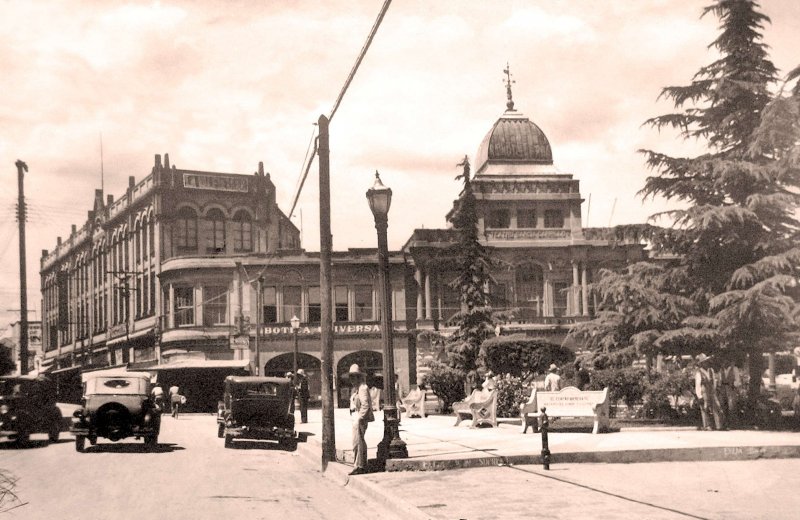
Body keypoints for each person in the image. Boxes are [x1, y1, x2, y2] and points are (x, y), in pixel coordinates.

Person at [348, 363, 374, 475]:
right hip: (355, 416)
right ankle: (360, 464)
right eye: (351, 376)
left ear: (359, 376)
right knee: (357, 441)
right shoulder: (356, 389)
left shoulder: (362, 388)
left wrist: (360, 418)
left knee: (357, 442)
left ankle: (359, 466)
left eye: (355, 376)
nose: (352, 379)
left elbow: (365, 404)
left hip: (359, 417)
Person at [695, 354, 724, 430]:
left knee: (716, 406)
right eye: (704, 362)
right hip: (704, 391)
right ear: (701, 364)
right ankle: (707, 425)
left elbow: (714, 381)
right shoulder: (699, 372)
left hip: (711, 390)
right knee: (705, 407)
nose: (706, 363)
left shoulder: (711, 370)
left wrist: (714, 389)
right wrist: (699, 396)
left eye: (707, 361)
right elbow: (698, 385)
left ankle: (718, 425)